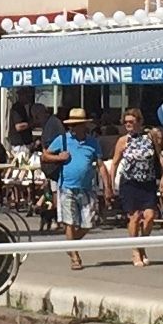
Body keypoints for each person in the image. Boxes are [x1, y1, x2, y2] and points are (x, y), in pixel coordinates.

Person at [45, 108, 106, 263]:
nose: (73, 128)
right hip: (66, 186)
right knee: (70, 222)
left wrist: (108, 186)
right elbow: (45, 155)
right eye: (72, 125)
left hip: (86, 187)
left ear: (84, 125)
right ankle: (75, 257)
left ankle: (70, 245)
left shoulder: (92, 142)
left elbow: (100, 164)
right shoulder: (63, 140)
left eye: (77, 124)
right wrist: (59, 157)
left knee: (88, 223)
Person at [112, 110, 163, 255]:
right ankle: (135, 250)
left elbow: (158, 157)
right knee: (134, 217)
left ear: (139, 122)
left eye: (131, 122)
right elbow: (115, 163)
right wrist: (111, 184)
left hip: (148, 182)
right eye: (126, 122)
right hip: (130, 182)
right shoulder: (123, 140)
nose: (128, 124)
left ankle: (142, 244)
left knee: (150, 216)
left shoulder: (150, 137)